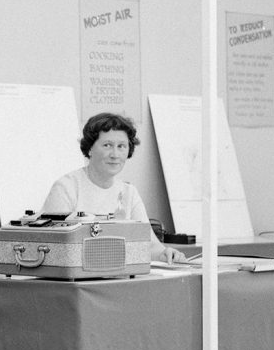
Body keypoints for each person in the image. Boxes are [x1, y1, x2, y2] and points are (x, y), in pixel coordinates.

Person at [42, 113, 187, 264]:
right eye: (107, 145)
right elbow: (56, 247)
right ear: (90, 148)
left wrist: (165, 253)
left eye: (121, 146)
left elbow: (149, 245)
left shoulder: (129, 192)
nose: (115, 154)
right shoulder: (66, 187)